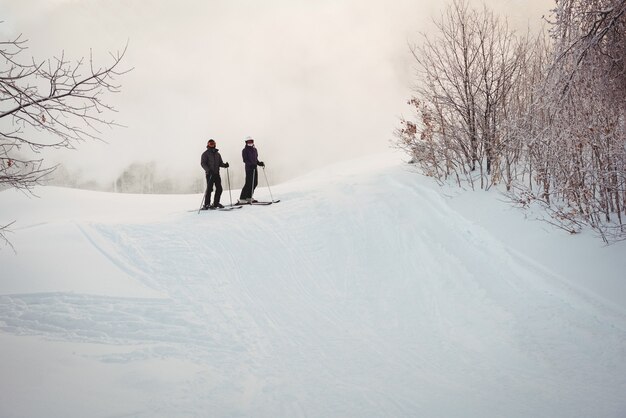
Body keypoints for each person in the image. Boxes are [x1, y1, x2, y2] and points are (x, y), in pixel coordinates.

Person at [200, 139, 229, 209]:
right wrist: (208, 170)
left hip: (216, 174)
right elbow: (203, 163)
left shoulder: (217, 154)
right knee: (209, 189)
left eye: (213, 143)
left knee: (219, 188)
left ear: (215, 144)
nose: (212, 145)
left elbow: (220, 163)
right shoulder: (205, 154)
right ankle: (207, 204)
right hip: (209, 174)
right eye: (210, 144)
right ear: (208, 145)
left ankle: (216, 203)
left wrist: (225, 165)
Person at [237, 136, 264, 204]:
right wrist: (251, 164)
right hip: (249, 169)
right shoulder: (244, 150)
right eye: (249, 141)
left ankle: (249, 197)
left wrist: (259, 163)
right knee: (248, 183)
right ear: (246, 142)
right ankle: (242, 198)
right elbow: (245, 160)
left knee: (255, 183)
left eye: (251, 141)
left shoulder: (255, 150)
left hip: (254, 168)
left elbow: (255, 159)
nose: (250, 143)